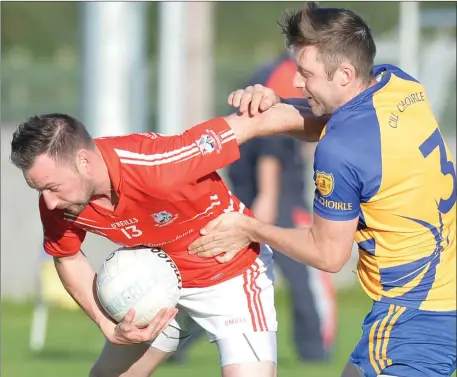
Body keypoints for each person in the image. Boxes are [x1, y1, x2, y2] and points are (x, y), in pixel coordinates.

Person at [187, 3, 457, 377]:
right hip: (441, 298)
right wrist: (277, 104)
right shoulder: (399, 84)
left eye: (306, 73)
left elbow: (328, 254)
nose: (297, 82)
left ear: (345, 74)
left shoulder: (341, 149)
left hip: (411, 321)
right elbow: (338, 120)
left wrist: (248, 229)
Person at [10, 105, 324, 377]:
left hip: (231, 276)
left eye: (52, 187)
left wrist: (338, 124)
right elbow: (67, 257)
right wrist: (107, 325)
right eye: (40, 190)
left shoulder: (159, 162)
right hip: (158, 286)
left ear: (84, 162)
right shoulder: (59, 203)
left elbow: (253, 122)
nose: (48, 202)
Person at [227, 51, 336, 361]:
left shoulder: (268, 70)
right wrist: (269, 196)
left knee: (220, 273)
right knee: (305, 273)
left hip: (249, 189)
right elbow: (270, 142)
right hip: (275, 196)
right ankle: (315, 351)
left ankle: (173, 345)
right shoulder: (286, 74)